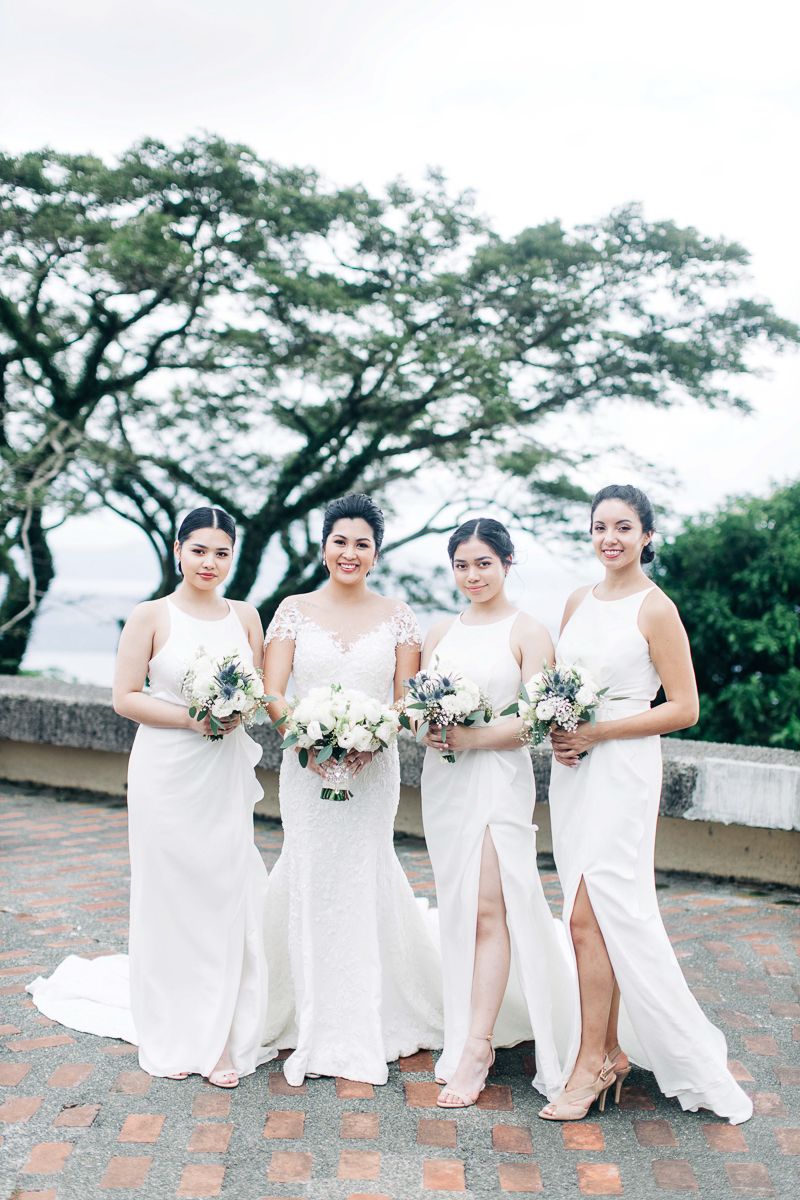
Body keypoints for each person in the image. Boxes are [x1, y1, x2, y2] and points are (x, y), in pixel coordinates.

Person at [28, 506, 272, 1088]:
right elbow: (125, 697)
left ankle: (219, 1033)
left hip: (222, 772)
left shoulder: (245, 616)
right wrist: (192, 718)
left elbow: (258, 692)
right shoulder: (151, 615)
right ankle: (174, 1026)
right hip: (166, 771)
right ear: (178, 550)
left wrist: (236, 711)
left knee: (223, 893)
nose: (209, 563)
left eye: (221, 553)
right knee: (170, 897)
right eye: (199, 550)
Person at [541, 484, 752, 1123]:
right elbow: (562, 687)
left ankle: (590, 1063)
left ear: (647, 536)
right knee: (589, 916)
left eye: (624, 528)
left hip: (624, 771)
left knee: (591, 914)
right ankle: (607, 1052)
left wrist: (598, 731)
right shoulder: (577, 601)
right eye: (600, 527)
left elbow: (685, 708)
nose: (610, 539)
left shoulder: (656, 609)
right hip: (575, 774)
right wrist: (559, 729)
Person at [261, 493, 443, 1085]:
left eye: (362, 544)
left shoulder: (398, 616)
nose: (350, 552)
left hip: (373, 768)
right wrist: (305, 743)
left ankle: (373, 1008)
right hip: (304, 768)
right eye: (340, 541)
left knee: (365, 867)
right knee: (310, 865)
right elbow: (273, 692)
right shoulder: (292, 610)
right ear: (323, 548)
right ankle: (302, 1007)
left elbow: (407, 700)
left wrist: (372, 739)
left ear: (376, 554)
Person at [420, 518, 576, 1109]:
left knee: (489, 909)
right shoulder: (441, 630)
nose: (472, 575)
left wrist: (471, 737)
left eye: (483, 563)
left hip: (497, 783)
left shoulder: (528, 632)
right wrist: (431, 729)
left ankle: (477, 1047)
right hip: (445, 784)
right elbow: (418, 707)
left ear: (508, 564)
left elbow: (537, 721)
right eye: (462, 565)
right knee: (458, 907)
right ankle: (463, 1026)